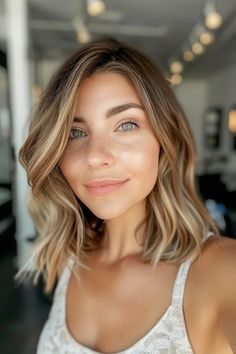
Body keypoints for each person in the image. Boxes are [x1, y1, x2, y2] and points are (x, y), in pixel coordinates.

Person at [18, 38, 236, 354]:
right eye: (75, 132)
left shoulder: (222, 271)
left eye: (127, 124)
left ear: (165, 140)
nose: (95, 156)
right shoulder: (70, 258)